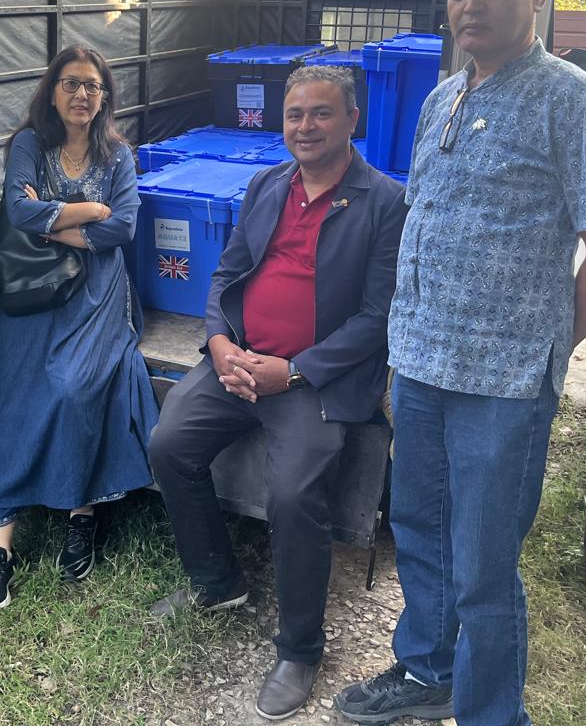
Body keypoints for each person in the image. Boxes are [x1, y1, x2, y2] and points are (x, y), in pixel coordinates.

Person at [334, 0, 586, 726]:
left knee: (485, 565)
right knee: (420, 531)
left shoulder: (577, 106)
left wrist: (542, 350)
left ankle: (492, 713)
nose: (472, 4)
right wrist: (403, 352)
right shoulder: (442, 95)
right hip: (422, 367)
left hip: (502, 387)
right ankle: (429, 671)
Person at [148, 64, 409, 720]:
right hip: (238, 364)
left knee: (294, 493)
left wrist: (290, 371)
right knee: (170, 443)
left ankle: (299, 648)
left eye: (322, 113)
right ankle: (218, 582)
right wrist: (219, 346)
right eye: (295, 114)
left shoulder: (384, 202)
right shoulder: (266, 184)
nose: (305, 126)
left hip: (311, 380)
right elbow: (225, 275)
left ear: (353, 121)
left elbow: (378, 318)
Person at [0, 46, 159, 610]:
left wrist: (57, 218)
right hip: (32, 291)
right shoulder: (29, 142)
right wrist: (89, 212)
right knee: (14, 390)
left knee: (75, 386)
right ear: (52, 91)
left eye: (93, 86)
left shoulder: (118, 156)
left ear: (105, 97)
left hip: (98, 292)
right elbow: (17, 212)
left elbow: (123, 228)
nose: (82, 95)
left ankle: (80, 510)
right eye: (71, 83)